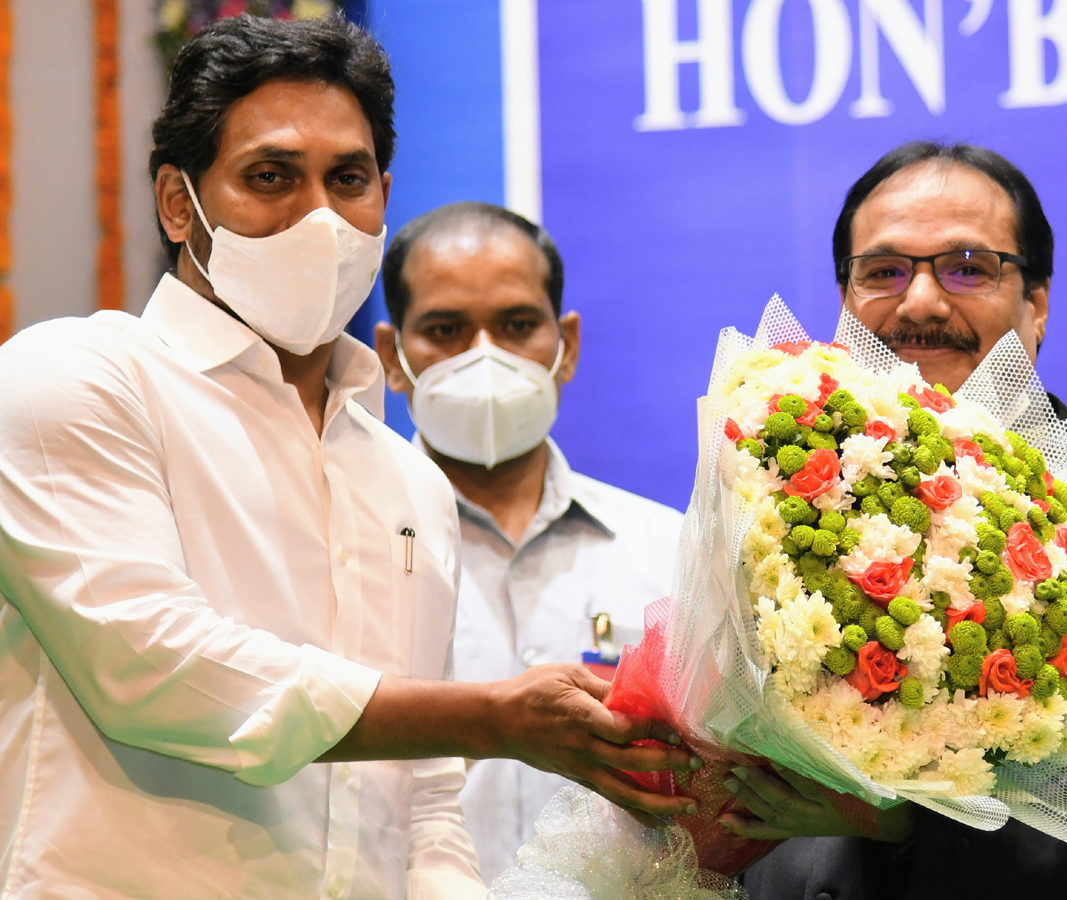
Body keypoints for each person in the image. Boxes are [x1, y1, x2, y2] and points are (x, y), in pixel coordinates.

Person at [0, 16, 698, 900]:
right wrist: (491, 716)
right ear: (179, 203)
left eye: (349, 179)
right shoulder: (79, 377)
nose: (320, 218)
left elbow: (423, 804)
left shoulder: (405, 477)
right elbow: (151, 667)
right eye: (270, 177)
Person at [735, 141, 1067, 899]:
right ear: (844, 303)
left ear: (1037, 304)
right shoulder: (768, 486)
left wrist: (906, 824)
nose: (919, 302)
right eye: (883, 272)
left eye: (967, 267)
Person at [370, 202, 686, 882]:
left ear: (565, 344)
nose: (484, 357)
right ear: (392, 359)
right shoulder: (344, 548)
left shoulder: (672, 552)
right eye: (445, 330)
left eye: (517, 326)